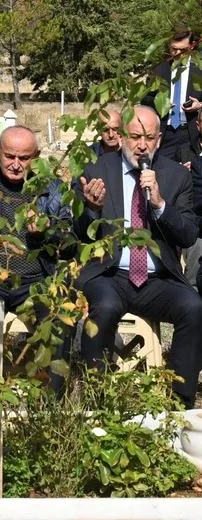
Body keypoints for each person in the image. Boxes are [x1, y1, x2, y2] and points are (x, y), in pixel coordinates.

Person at [75, 105, 202, 409]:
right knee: (103, 309)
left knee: (194, 307)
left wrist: (159, 204)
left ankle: (178, 405)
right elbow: (79, 234)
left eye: (149, 137)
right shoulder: (96, 171)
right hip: (109, 275)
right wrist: (91, 208)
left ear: (159, 140)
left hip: (157, 278)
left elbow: (188, 235)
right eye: (134, 137)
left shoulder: (175, 177)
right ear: (120, 137)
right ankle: (97, 401)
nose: (141, 145)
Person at [0, 125, 73, 389]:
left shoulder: (52, 188)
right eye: (10, 156)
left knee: (57, 320)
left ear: (36, 156)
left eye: (24, 158)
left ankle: (52, 402)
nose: (16, 164)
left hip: (36, 280)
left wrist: (46, 232)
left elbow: (69, 239)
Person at [143, 26, 202, 162]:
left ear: (192, 46)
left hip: (191, 134)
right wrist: (159, 104)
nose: (177, 53)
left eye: (183, 50)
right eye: (174, 49)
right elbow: (145, 99)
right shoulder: (158, 70)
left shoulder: (199, 70)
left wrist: (199, 105)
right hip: (164, 135)